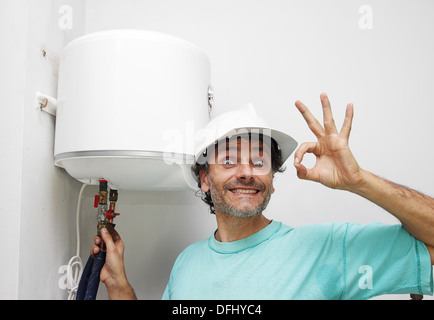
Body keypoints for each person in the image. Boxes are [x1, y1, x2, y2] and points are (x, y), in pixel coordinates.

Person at [92, 93, 434, 300]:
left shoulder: (326, 248)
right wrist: (119, 285)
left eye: (259, 160)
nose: (246, 172)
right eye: (228, 160)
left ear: (271, 179)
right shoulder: (187, 263)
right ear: (205, 179)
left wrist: (358, 181)